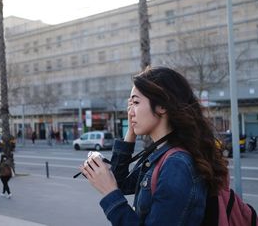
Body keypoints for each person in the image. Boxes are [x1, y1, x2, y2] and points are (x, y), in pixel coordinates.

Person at [79, 66, 228, 225]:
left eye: (135, 102)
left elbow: (114, 187)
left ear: (162, 106)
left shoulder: (177, 164)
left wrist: (109, 192)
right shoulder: (162, 153)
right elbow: (121, 183)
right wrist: (131, 131)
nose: (130, 112)